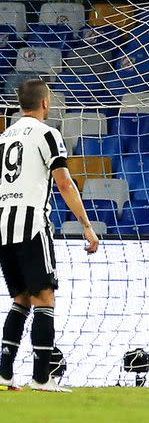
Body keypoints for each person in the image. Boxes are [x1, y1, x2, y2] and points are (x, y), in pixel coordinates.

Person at [0, 79, 99, 393]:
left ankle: (4, 373)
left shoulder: (4, 136)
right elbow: (64, 183)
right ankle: (43, 378)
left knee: (20, 298)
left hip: (2, 224)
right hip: (31, 224)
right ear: (45, 103)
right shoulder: (48, 134)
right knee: (44, 298)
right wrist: (86, 224)